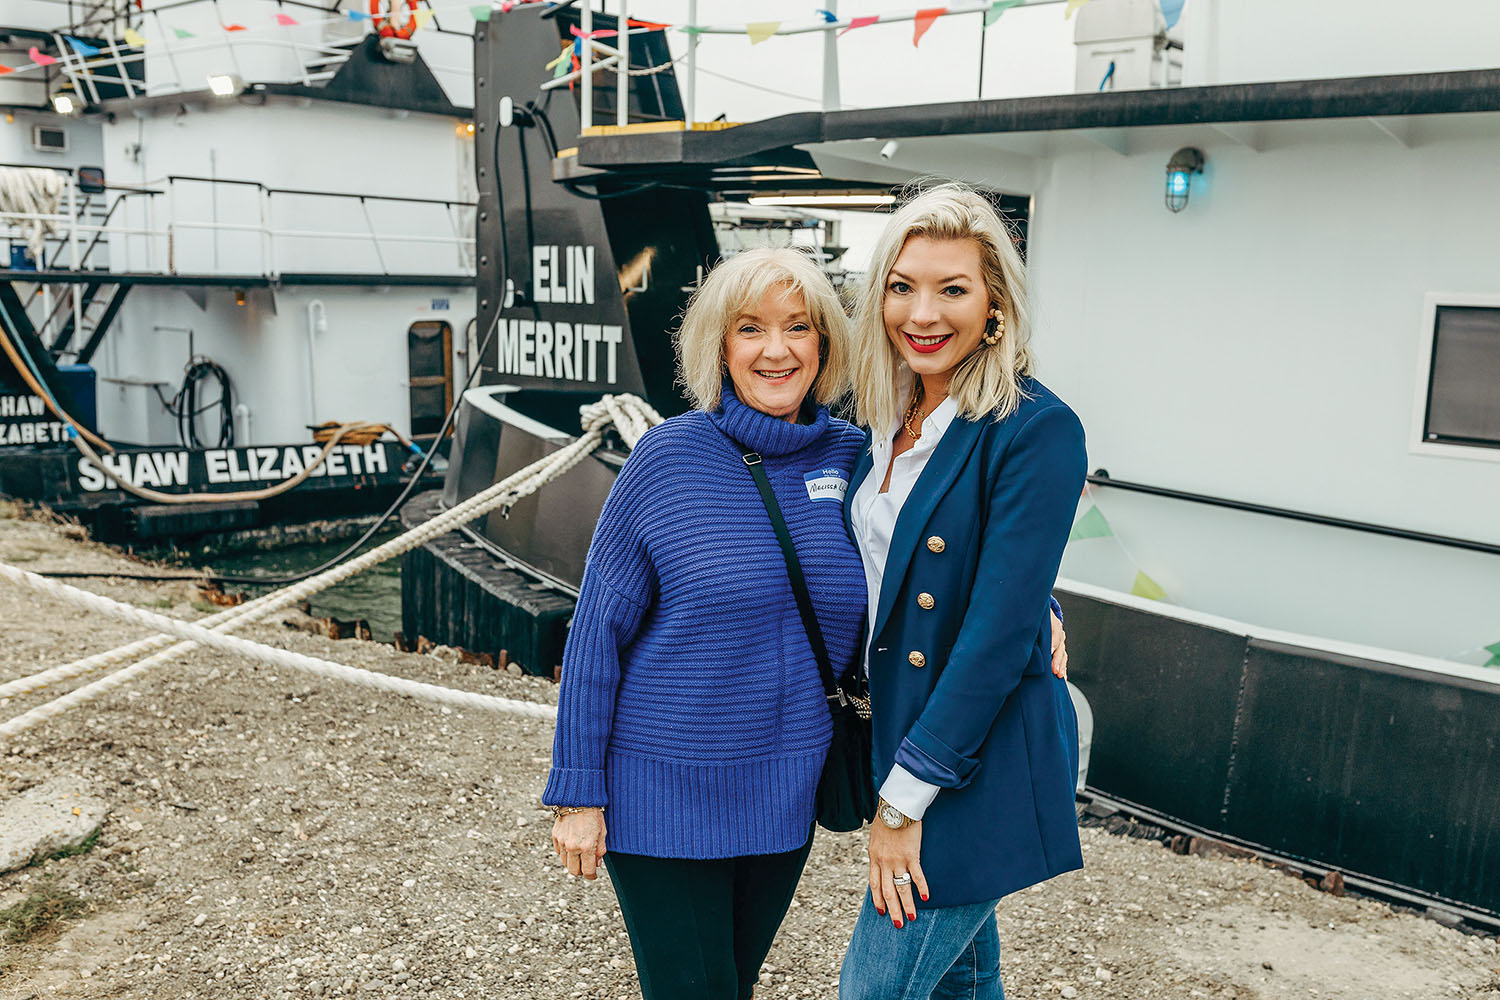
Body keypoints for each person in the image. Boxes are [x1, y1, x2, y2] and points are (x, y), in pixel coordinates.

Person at [542, 247, 868, 1000]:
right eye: (750, 328)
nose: (776, 349)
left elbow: (940, 556)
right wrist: (577, 792)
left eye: (798, 327)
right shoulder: (667, 458)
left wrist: (1038, 607)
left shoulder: (857, 459)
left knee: (731, 984)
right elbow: (596, 634)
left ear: (825, 344)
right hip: (661, 792)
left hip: (786, 794)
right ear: (720, 347)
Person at [839, 185, 1088, 1000]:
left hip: (963, 759)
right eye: (902, 286)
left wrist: (904, 805)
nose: (923, 313)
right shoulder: (882, 412)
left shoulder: (1034, 428)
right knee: (963, 986)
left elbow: (992, 634)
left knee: (873, 989)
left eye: (952, 289)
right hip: (902, 732)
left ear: (994, 306)